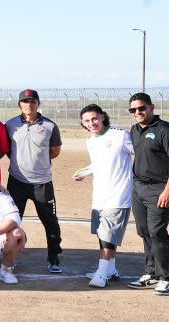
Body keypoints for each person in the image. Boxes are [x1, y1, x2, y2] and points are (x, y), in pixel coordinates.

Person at [5, 88, 63, 273]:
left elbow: (55, 151)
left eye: (32, 101)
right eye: (25, 101)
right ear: (20, 104)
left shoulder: (50, 126)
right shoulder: (10, 124)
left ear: (38, 104)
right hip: (16, 181)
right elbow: (8, 149)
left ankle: (53, 257)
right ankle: (10, 256)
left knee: (50, 221)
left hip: (42, 183)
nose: (29, 105)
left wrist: (39, 163)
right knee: (12, 221)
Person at [76, 104, 132, 288]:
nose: (91, 123)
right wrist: (86, 172)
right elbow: (98, 163)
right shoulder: (91, 140)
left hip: (118, 195)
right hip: (99, 195)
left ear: (102, 117)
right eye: (86, 121)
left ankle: (101, 274)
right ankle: (111, 270)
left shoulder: (120, 136)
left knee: (108, 236)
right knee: (103, 234)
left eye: (94, 119)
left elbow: (142, 155)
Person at [125, 93, 169, 294]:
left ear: (151, 107)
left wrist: (167, 191)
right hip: (138, 188)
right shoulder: (134, 130)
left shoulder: (164, 130)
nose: (137, 113)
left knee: (157, 232)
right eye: (133, 110)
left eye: (141, 108)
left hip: (159, 188)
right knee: (143, 230)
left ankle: (166, 277)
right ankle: (151, 273)